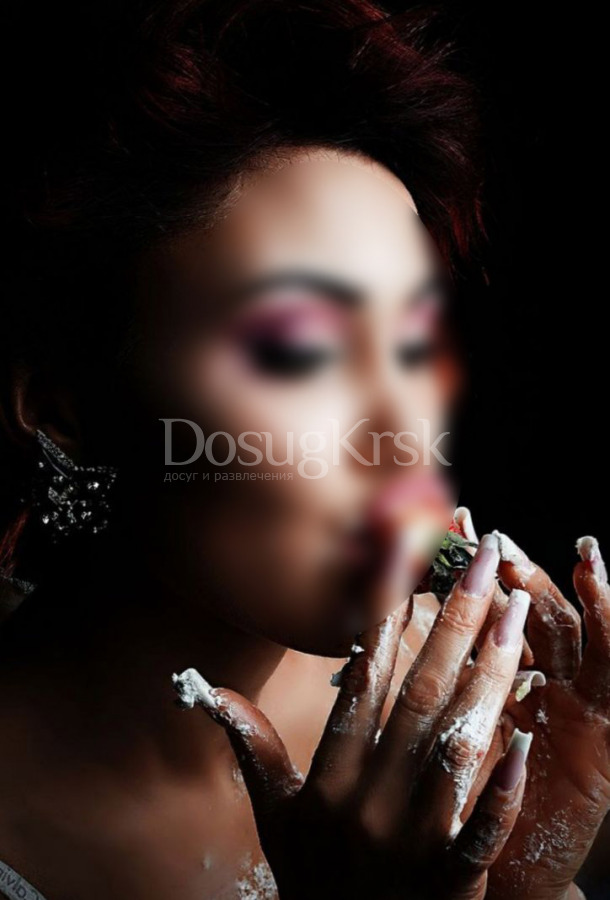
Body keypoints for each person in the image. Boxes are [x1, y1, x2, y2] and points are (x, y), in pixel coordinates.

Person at [0, 1, 608, 898]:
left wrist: (526, 886)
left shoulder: (486, 734)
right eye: (298, 351)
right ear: (62, 407)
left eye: (414, 346)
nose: (402, 431)